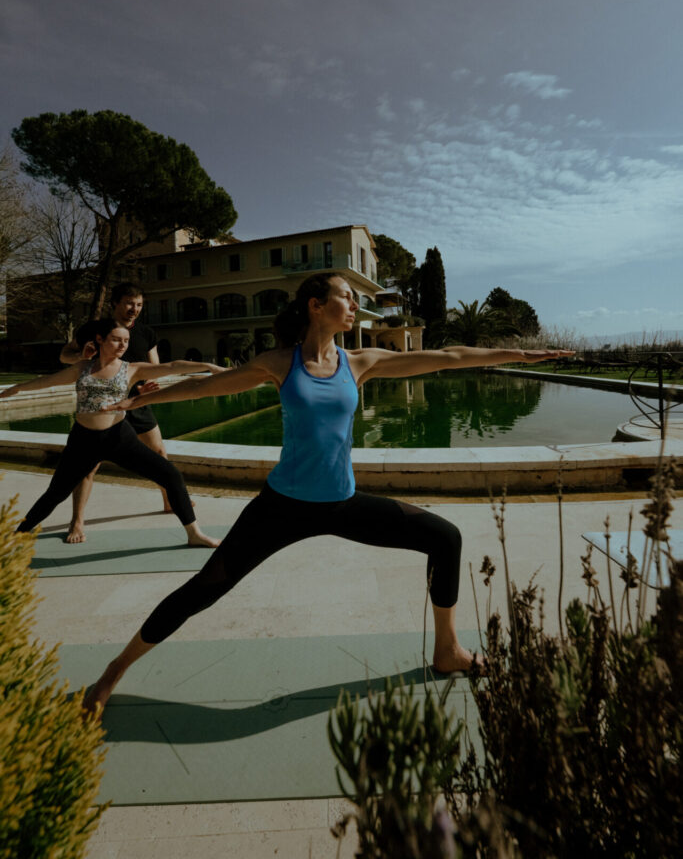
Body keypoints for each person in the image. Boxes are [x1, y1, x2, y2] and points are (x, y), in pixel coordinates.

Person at [84, 273, 574, 712]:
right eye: (346, 296)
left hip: (341, 504)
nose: (355, 305)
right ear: (317, 305)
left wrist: (520, 354)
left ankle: (447, 651)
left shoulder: (360, 362)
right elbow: (207, 388)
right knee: (202, 590)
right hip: (280, 507)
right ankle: (112, 673)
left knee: (444, 538)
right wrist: (144, 397)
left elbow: (446, 358)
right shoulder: (279, 362)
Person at [1, 318, 224, 547]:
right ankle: (18, 535)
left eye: (125, 341)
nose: (122, 345)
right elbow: (47, 382)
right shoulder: (82, 368)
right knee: (56, 493)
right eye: (116, 339)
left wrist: (208, 367)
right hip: (83, 440)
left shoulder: (132, 369)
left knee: (171, 475)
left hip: (119, 437)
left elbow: (172, 366)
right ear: (100, 339)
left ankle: (194, 534)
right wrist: (17, 388)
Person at [60, 283, 179, 542]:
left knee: (159, 452)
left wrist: (149, 388)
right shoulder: (94, 330)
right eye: (128, 303)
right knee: (88, 466)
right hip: (101, 406)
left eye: (138, 304)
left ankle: (170, 502)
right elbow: (64, 356)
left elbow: (154, 365)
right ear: (114, 303)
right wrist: (82, 355)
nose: (133, 309)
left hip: (136, 403)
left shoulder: (147, 332)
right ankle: (77, 522)